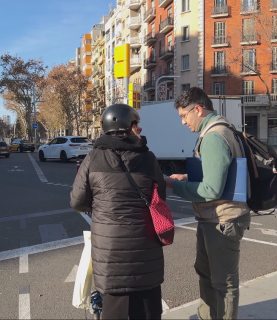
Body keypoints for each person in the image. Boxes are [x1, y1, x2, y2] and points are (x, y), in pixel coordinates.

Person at [71, 103, 167, 320]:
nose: (139, 130)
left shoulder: (92, 158)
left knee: (115, 310)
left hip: (110, 253)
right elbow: (160, 197)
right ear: (128, 126)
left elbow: (77, 202)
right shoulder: (148, 158)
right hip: (145, 249)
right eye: (137, 125)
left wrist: (101, 208)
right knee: (148, 309)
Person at [164, 88, 251, 320]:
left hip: (222, 219)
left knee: (223, 283)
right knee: (206, 273)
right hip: (214, 217)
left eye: (184, 116)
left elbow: (211, 189)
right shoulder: (219, 129)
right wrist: (187, 178)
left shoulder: (214, 136)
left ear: (198, 109)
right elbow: (217, 174)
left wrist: (174, 186)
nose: (183, 122)